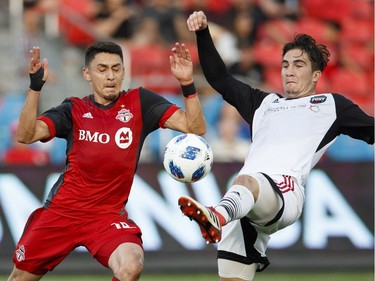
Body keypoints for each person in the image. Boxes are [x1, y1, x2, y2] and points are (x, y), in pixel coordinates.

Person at [178, 11, 374, 281]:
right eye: (285, 65)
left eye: (298, 64)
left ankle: (215, 216)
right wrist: (202, 33)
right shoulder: (263, 104)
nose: (289, 71)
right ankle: (220, 215)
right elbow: (220, 79)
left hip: (282, 192)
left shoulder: (332, 106)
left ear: (316, 75)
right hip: (245, 204)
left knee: (245, 179)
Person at [8, 40, 205, 281]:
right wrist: (35, 88)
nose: (110, 76)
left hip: (107, 217)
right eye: (102, 69)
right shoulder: (74, 109)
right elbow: (26, 135)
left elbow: (194, 127)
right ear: (87, 74)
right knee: (19, 278)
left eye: (116, 68)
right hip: (62, 212)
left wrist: (187, 84)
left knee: (131, 266)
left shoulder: (140, 102)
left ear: (124, 71)